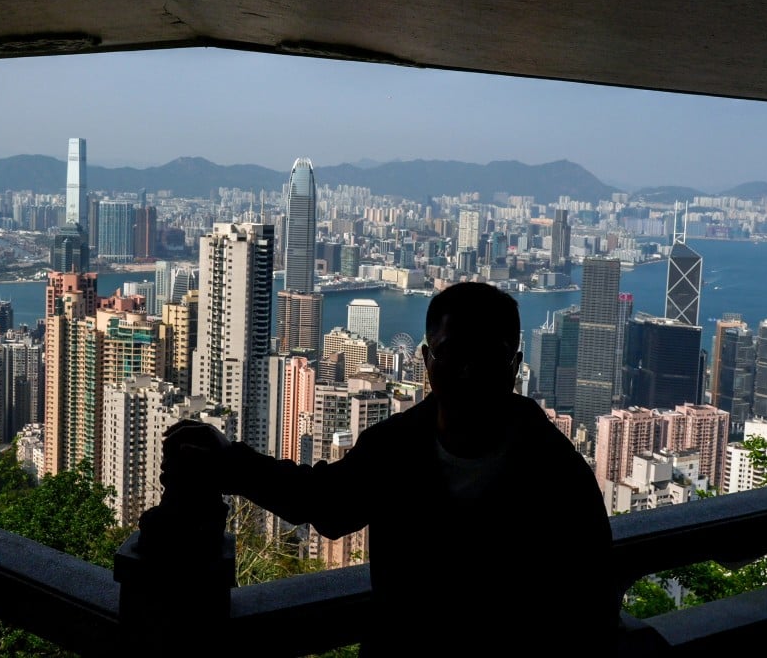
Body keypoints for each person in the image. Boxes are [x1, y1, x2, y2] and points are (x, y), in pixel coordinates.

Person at [162, 281, 618, 655]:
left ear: (515, 366)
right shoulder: (394, 447)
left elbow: (591, 601)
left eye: (487, 358)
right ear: (425, 361)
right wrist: (229, 460)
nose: (467, 372)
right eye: (452, 354)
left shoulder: (556, 474)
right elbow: (324, 502)